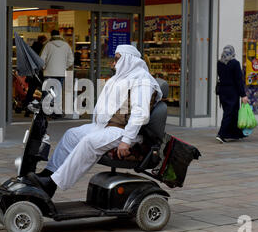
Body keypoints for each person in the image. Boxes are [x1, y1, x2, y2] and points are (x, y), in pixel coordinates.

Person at [26, 45, 163, 198]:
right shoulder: (121, 78)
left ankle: (52, 183)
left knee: (89, 142)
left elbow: (140, 113)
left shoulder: (142, 81)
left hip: (124, 131)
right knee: (72, 135)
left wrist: (127, 140)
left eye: (117, 59)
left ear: (129, 60)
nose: (113, 63)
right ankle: (47, 173)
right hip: (106, 126)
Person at [216, 45, 249, 143]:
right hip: (232, 92)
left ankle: (235, 134)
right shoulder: (235, 63)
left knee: (233, 112)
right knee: (229, 113)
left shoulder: (219, 63)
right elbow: (239, 80)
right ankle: (221, 134)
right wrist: (243, 94)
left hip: (223, 91)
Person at [23, 35, 47, 117]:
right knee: (44, 90)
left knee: (30, 91)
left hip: (32, 74)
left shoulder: (31, 48)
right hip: (39, 73)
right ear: (43, 40)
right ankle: (43, 109)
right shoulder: (43, 48)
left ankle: (27, 108)